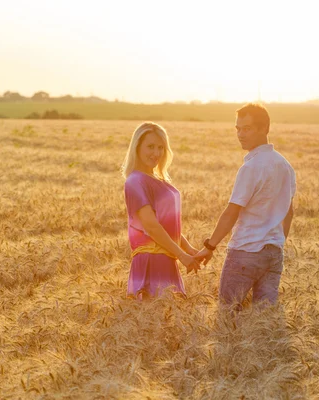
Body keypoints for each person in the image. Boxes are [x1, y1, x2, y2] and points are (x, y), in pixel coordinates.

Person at [196, 103, 296, 309]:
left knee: (228, 315)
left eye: (247, 128)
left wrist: (210, 246)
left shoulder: (251, 167)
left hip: (245, 253)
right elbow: (289, 211)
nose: (240, 134)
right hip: (274, 254)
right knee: (264, 321)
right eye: (238, 129)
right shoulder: (285, 166)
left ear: (264, 129)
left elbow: (232, 212)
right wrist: (276, 241)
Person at [122, 122, 201, 299]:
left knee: (165, 320)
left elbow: (165, 223)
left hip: (167, 258)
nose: (156, 153)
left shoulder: (157, 179)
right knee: (152, 319)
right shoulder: (135, 181)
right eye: (150, 147)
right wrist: (181, 254)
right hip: (151, 260)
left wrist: (189, 250)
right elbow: (151, 226)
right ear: (137, 147)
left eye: (161, 148)